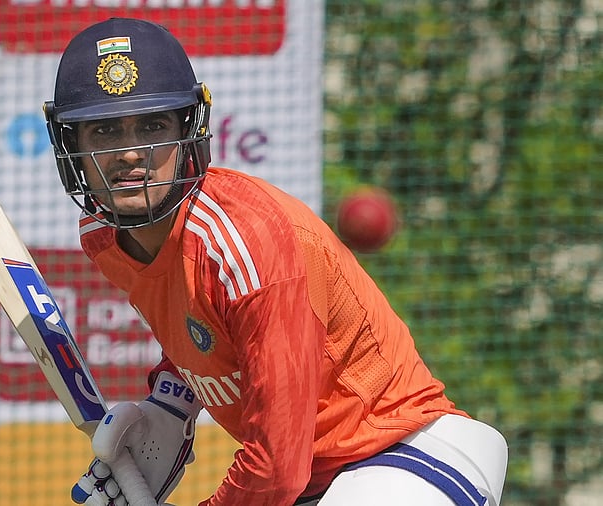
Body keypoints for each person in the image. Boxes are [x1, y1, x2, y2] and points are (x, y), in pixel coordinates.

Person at [43, 17, 508, 506]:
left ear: (190, 132)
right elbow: (203, 329)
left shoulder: (248, 244)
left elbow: (275, 470)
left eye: (153, 125)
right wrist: (171, 405)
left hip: (403, 453)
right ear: (72, 145)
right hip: (315, 482)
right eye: (105, 131)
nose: (130, 153)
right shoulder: (104, 239)